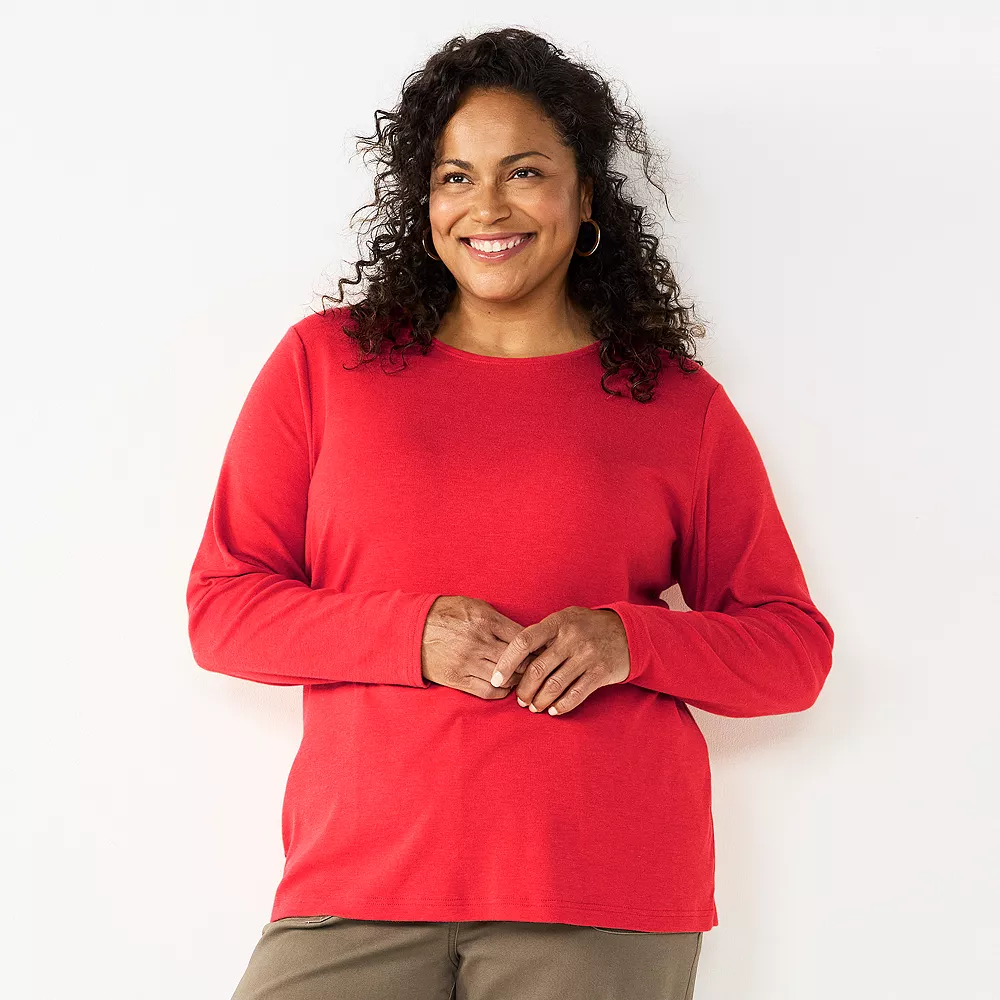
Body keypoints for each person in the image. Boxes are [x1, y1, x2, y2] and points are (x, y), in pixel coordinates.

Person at [186, 26, 834, 1000]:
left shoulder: (676, 403)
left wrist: (627, 640)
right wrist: (411, 633)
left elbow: (791, 650)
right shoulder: (325, 366)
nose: (486, 207)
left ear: (586, 195)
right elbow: (223, 608)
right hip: (359, 880)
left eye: (524, 172)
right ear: (425, 201)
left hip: (599, 896)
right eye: (455, 177)